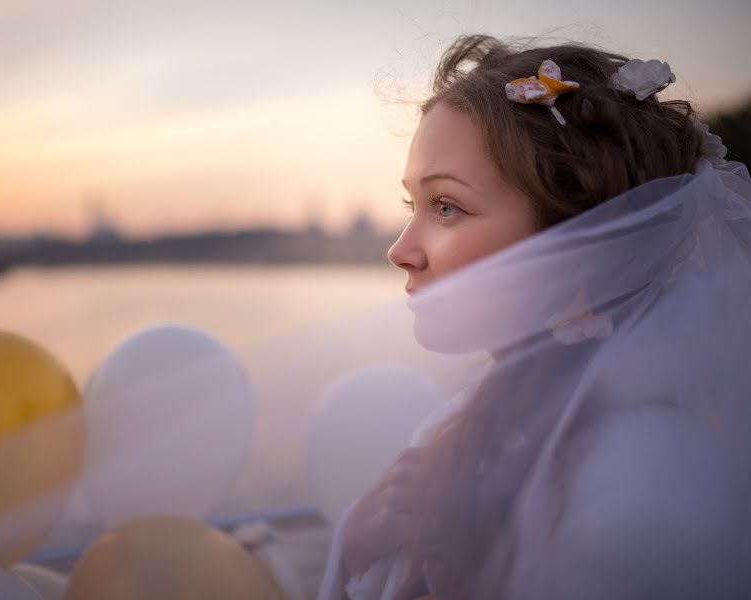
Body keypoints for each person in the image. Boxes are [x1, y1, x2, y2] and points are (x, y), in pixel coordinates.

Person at [317, 34, 751, 600]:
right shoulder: (473, 417)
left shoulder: (636, 503)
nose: (400, 250)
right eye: (413, 206)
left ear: (579, 244)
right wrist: (354, 542)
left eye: (446, 206)